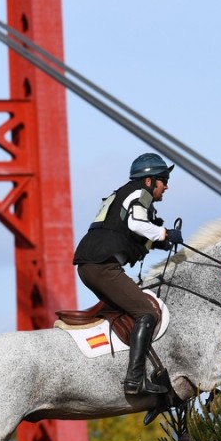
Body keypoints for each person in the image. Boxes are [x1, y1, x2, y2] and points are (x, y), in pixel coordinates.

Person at [73, 153, 184, 395]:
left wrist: (156, 243)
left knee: (130, 313)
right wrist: (165, 234)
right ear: (148, 181)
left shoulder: (124, 195)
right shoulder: (139, 194)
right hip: (103, 266)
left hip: (90, 265)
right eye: (163, 179)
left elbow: (127, 231)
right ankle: (135, 380)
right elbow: (136, 224)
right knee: (145, 312)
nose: (166, 185)